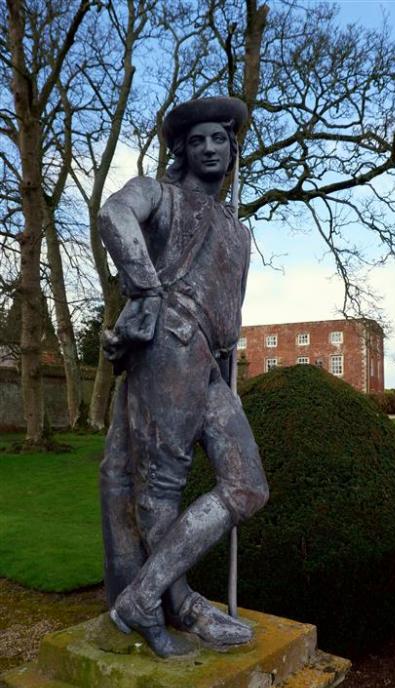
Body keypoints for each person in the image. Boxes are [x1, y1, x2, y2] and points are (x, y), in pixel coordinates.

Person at [98, 96, 269, 658]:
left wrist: (222, 367)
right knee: (159, 490)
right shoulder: (160, 194)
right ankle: (179, 605)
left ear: (232, 147)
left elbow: (231, 311)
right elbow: (113, 214)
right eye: (197, 141)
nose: (210, 148)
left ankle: (145, 597)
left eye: (219, 138)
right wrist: (145, 286)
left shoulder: (239, 233)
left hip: (211, 365)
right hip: (169, 345)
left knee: (247, 487)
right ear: (182, 150)